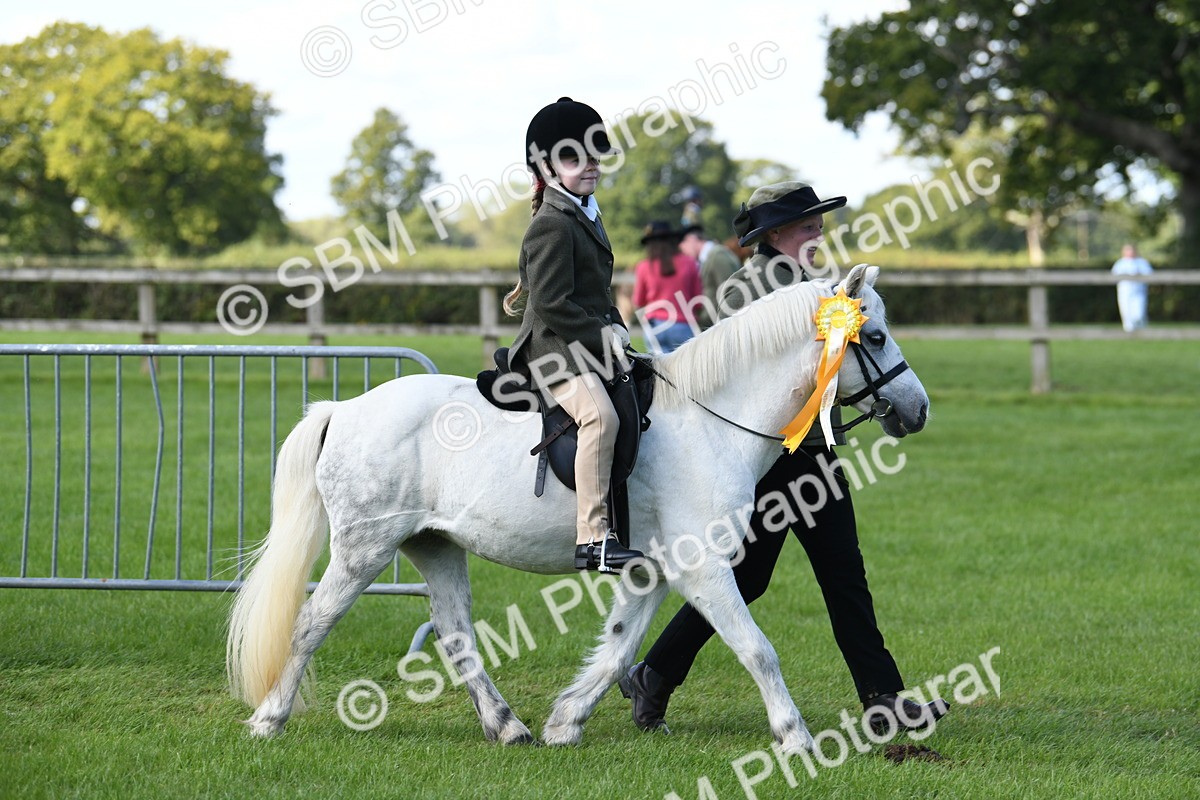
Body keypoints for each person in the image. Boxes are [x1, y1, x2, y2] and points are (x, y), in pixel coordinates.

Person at [620, 181, 950, 734]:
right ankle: (652, 674)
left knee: (842, 577)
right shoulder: (745, 293)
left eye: (818, 224)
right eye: (807, 226)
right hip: (763, 461)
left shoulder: (821, 286)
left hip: (812, 454)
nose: (818, 233)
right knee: (746, 578)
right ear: (775, 235)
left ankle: (885, 700)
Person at [504, 97, 644, 573]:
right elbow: (551, 304)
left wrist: (619, 330)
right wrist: (603, 337)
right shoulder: (550, 223)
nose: (589, 166)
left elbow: (599, 293)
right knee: (601, 417)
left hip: (582, 342)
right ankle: (594, 539)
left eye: (594, 155)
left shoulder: (586, 213)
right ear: (546, 167)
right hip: (551, 351)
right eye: (573, 158)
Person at [632, 221, 703, 354]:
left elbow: (638, 301)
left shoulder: (644, 266)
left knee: (659, 372)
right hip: (683, 325)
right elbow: (698, 300)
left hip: (655, 326)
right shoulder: (689, 263)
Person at [677, 224, 742, 330]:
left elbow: (730, 293)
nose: (683, 251)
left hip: (724, 327)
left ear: (691, 239)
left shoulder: (717, 255)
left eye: (683, 244)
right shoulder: (710, 257)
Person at [1112, 243, 1153, 332]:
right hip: (1125, 292)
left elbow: (1149, 275)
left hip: (1139, 292)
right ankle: (1129, 337)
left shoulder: (1142, 262)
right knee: (1127, 315)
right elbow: (1114, 276)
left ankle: (1142, 332)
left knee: (1138, 314)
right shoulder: (1120, 263)